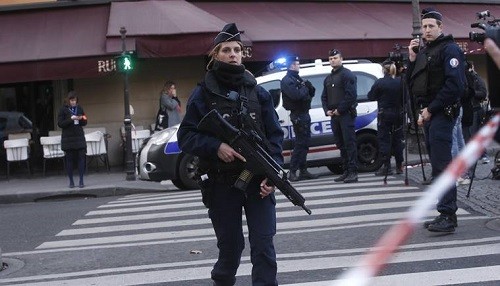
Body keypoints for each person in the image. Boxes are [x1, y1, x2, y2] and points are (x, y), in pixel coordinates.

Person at [177, 23, 283, 286]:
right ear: (216, 55)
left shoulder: (258, 92)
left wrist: (274, 174)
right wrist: (216, 147)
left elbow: (275, 137)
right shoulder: (203, 94)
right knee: (231, 247)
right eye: (226, 50)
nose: (233, 54)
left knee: (264, 244)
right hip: (222, 184)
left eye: (237, 49)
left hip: (258, 183)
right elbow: (186, 136)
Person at [407, 7, 466, 233]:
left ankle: (448, 215)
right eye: (424, 27)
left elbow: (455, 86)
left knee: (443, 166)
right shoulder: (426, 51)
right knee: (437, 166)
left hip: (442, 112)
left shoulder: (449, 50)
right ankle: (444, 211)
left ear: (441, 27)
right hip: (430, 113)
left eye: (431, 26)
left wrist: (430, 109)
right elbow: (412, 85)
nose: (427, 30)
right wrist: (412, 60)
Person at [321, 49, 358, 183]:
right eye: (330, 58)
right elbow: (324, 97)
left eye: (335, 58)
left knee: (349, 143)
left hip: (345, 115)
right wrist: (327, 110)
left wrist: (340, 110)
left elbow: (351, 95)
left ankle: (353, 171)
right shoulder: (328, 78)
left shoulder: (347, 75)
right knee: (340, 144)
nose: (332, 60)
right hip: (334, 116)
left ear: (341, 59)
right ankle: (346, 170)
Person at [280, 55, 318, 181]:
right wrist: (305, 88)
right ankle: (293, 171)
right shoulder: (287, 80)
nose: (298, 65)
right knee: (300, 143)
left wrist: (308, 87)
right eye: (297, 64)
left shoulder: (296, 79)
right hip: (298, 115)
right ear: (291, 65)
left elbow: (310, 93)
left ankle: (303, 170)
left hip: (304, 113)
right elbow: (296, 96)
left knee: (305, 143)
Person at [367, 59, 404, 176]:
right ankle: (399, 165)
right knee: (398, 139)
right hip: (398, 113)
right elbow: (406, 98)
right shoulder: (400, 82)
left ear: (383, 69)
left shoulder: (380, 83)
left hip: (384, 114)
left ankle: (386, 166)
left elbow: (371, 96)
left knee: (384, 140)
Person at [57, 91, 87, 188]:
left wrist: (81, 118)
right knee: (69, 159)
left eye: (75, 100)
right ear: (68, 101)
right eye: (71, 100)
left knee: (81, 158)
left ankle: (81, 180)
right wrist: (71, 119)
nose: (73, 102)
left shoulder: (79, 108)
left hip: (79, 136)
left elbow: (85, 121)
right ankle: (71, 181)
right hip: (68, 138)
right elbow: (60, 124)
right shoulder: (63, 110)